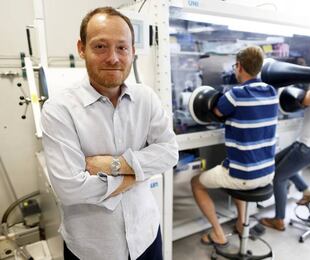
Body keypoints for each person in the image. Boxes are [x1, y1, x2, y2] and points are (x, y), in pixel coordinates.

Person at [41, 7, 178, 260]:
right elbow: (70, 188)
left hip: (146, 235)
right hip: (94, 248)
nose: (113, 58)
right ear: (81, 48)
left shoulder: (145, 98)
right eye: (101, 46)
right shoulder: (59, 109)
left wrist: (114, 165)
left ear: (133, 51)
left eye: (122, 48)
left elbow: (169, 153)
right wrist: (136, 174)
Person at [191, 46, 278, 247]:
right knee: (232, 168)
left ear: (238, 67)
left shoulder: (236, 94)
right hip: (267, 173)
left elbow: (217, 111)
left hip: (244, 177)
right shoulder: (272, 91)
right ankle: (241, 223)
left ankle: (218, 233)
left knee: (197, 183)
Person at [260, 53, 310, 231]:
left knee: (279, 177)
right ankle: (307, 192)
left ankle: (279, 219)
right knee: (276, 162)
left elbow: (304, 100)